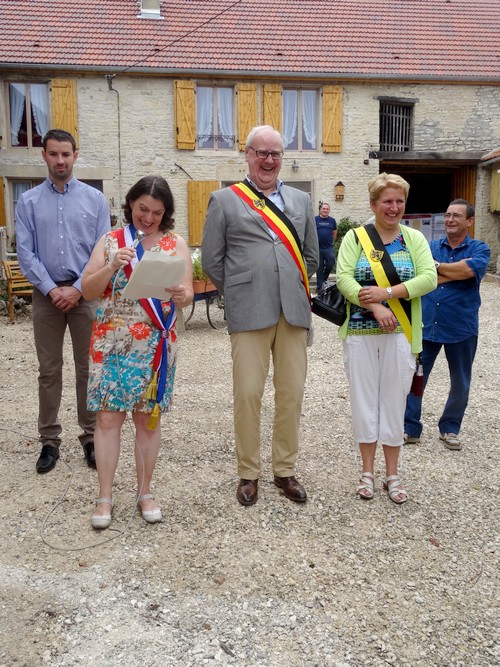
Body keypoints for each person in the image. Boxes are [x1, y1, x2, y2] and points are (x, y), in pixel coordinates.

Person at [201, 125, 319, 506]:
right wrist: (240, 290)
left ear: (282, 158)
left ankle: (284, 470)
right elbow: (212, 260)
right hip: (248, 310)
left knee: (292, 395)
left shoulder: (301, 202)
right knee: (248, 394)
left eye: (276, 154)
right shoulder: (225, 200)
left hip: (294, 310)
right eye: (261, 153)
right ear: (247, 154)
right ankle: (248, 472)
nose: (269, 160)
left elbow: (313, 257)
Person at [82, 176, 193, 529]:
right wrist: (112, 265)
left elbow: (188, 292)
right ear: (130, 204)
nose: (148, 217)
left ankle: (145, 491)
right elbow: (87, 291)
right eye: (143, 209)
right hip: (111, 341)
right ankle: (105, 496)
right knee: (107, 419)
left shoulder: (175, 243)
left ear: (166, 213)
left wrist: (181, 295)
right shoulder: (110, 241)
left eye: (157, 213)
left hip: (155, 343)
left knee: (147, 419)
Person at [336, 173, 436, 504]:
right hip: (361, 333)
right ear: (373, 204)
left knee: (394, 403)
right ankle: (367, 472)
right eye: (387, 201)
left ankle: (393, 475)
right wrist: (377, 306)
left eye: (399, 201)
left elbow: (429, 278)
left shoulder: (414, 239)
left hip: (402, 334)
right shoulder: (355, 238)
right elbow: (344, 280)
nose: (393, 208)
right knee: (364, 403)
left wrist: (389, 292)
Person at [15, 129, 110, 474]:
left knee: (88, 370)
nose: (60, 161)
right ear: (44, 156)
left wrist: (79, 288)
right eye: (53, 154)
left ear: (75, 155)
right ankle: (49, 441)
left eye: (65, 154)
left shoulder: (95, 200)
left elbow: (102, 250)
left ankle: (89, 437)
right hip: (46, 298)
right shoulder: (27, 202)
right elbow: (25, 252)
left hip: (85, 297)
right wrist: (52, 289)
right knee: (49, 371)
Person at [404, 199, 490, 450]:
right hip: (427, 324)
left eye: (456, 216)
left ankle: (450, 428)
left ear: (469, 221)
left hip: (461, 327)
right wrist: (447, 274)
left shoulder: (480, 248)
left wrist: (438, 270)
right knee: (416, 378)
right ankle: (410, 428)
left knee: (461, 381)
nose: (450, 220)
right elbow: (420, 275)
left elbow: (468, 271)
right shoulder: (429, 246)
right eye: (448, 215)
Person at [315, 202, 337, 291]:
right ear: (320, 210)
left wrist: (332, 241)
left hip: (328, 247)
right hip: (318, 248)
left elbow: (334, 232)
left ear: (329, 210)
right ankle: (320, 287)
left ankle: (323, 280)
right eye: (323, 209)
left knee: (330, 263)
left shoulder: (332, 220)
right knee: (319, 267)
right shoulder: (315, 219)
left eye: (327, 209)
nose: (325, 210)